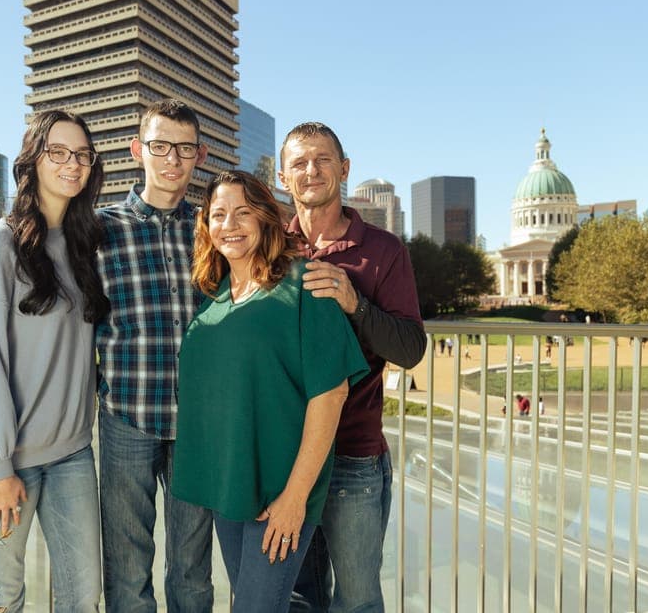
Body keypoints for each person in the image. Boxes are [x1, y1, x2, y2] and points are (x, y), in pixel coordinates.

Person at [172, 171, 369, 612]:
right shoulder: (214, 299)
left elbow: (331, 394)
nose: (230, 225)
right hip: (230, 487)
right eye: (219, 215)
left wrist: (294, 499)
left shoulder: (304, 285)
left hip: (282, 491)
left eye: (243, 213)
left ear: (265, 219)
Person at [0, 110, 109, 612]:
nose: (72, 164)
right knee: (2, 598)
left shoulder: (86, 246)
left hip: (70, 452)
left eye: (81, 155)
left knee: (83, 597)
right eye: (57, 152)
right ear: (32, 161)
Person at [279, 122, 427, 613]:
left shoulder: (385, 250)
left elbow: (410, 348)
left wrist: (354, 303)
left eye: (323, 160)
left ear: (344, 170)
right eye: (299, 163)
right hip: (285, 459)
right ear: (283, 177)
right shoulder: (271, 247)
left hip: (354, 457)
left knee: (357, 601)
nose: (311, 171)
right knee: (298, 599)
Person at [95, 98, 214, 612]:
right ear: (136, 150)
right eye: (160, 146)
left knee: (192, 571)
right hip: (128, 414)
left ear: (199, 155)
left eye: (185, 149)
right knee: (126, 568)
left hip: (199, 423)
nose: (172, 159)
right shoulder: (99, 229)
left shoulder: (213, 229)